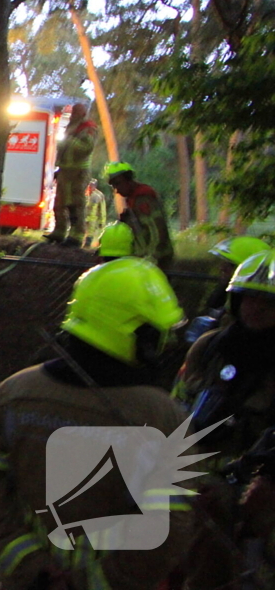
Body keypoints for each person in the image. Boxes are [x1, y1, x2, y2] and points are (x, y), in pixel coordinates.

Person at [0, 258, 193, 590]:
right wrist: (98, 582)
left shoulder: (15, 393)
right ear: (139, 335)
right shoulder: (162, 416)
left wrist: (30, 565)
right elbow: (172, 525)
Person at [170, 249, 275, 589]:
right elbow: (176, 409)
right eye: (248, 299)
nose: (254, 309)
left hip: (253, 488)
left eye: (267, 303)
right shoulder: (209, 347)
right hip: (194, 476)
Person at [103, 162, 174, 271]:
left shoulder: (143, 198)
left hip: (157, 260)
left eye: (118, 184)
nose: (117, 190)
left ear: (128, 179)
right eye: (113, 186)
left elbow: (157, 229)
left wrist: (152, 257)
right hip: (146, 260)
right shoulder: (133, 199)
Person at [45, 103, 97, 248]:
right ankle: (59, 232)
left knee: (76, 204)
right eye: (73, 112)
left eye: (76, 112)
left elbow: (87, 148)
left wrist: (70, 141)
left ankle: (77, 235)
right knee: (59, 203)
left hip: (78, 172)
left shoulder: (88, 128)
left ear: (83, 113)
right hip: (64, 171)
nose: (73, 115)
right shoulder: (70, 127)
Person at [84, 179, 107, 249]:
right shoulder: (84, 194)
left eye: (92, 185)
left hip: (93, 220)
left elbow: (102, 210)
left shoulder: (99, 196)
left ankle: (88, 247)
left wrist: (102, 222)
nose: (90, 187)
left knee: (90, 235)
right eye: (89, 185)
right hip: (83, 219)